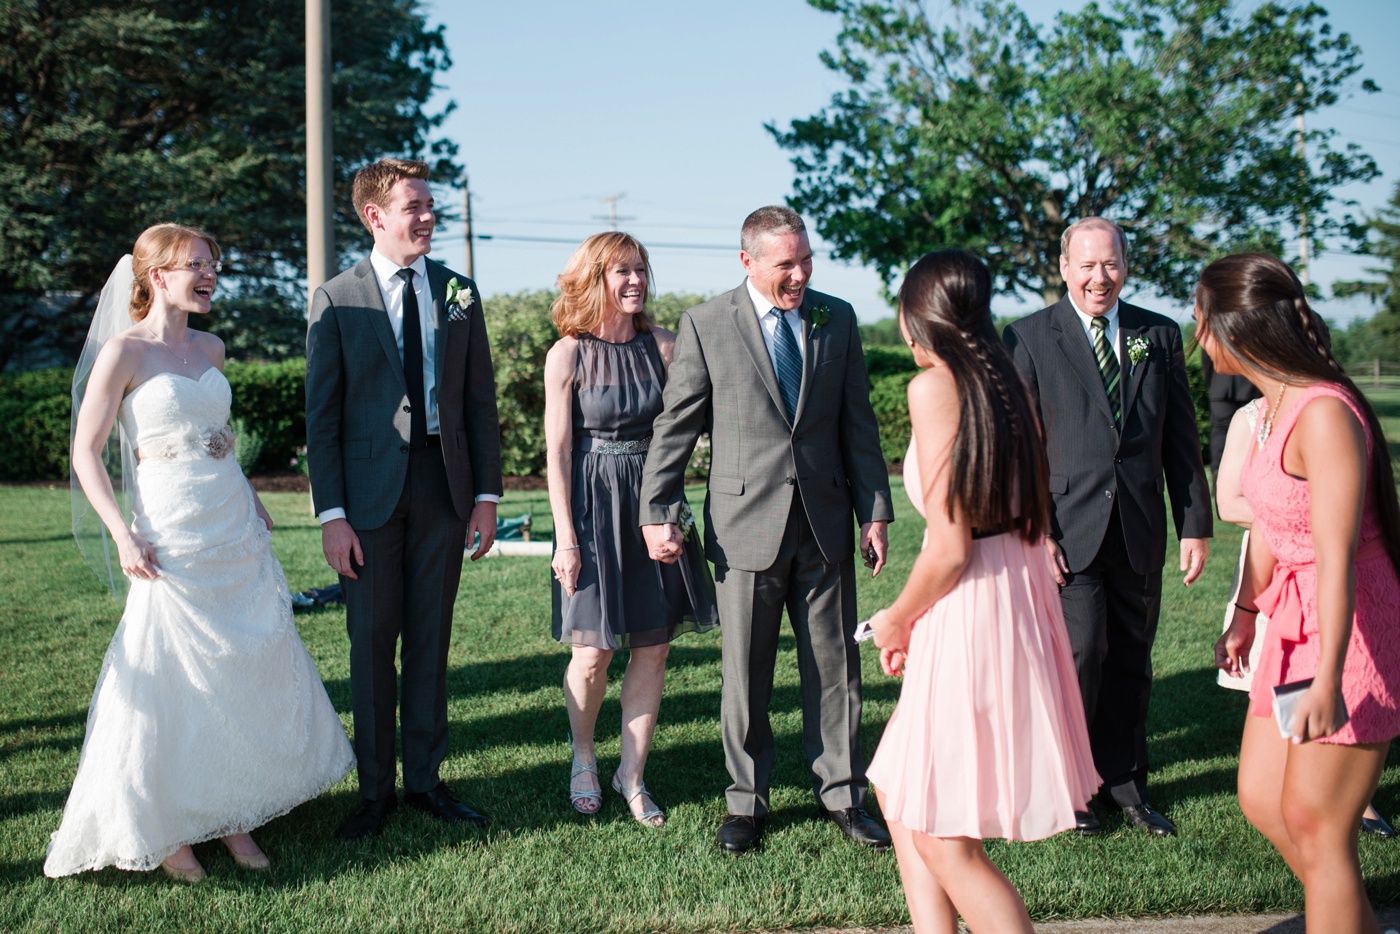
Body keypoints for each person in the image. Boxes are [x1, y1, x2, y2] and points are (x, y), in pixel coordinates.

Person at [49, 224, 355, 883]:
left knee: (237, 663)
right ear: (156, 276)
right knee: (174, 671)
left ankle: (231, 812)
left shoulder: (212, 345)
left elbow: (214, 433)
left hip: (229, 522)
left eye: (214, 264)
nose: (210, 274)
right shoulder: (123, 352)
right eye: (196, 264)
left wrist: (248, 492)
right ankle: (168, 831)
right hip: (168, 528)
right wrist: (121, 532)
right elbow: (85, 451)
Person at [638, 206, 895, 854]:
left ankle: (842, 795)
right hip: (744, 528)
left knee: (836, 670)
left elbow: (858, 425)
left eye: (806, 260)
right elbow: (677, 425)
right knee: (745, 676)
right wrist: (654, 509)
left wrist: (877, 511)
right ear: (748, 261)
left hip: (827, 522)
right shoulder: (706, 323)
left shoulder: (837, 318)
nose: (801, 274)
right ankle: (746, 804)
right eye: (787, 263)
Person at [867, 249, 1099, 934]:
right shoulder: (1003, 383)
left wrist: (897, 618)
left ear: (920, 318)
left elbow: (948, 545)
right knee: (900, 793)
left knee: (943, 833)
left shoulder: (936, 388)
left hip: (969, 604)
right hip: (1002, 591)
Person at [305, 158, 502, 841]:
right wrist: (332, 516)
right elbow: (321, 420)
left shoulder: (458, 291)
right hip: (366, 501)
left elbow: (479, 401)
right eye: (412, 206)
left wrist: (484, 495)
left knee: (430, 640)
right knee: (370, 644)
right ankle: (373, 791)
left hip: (443, 487)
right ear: (375, 216)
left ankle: (425, 781)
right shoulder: (337, 299)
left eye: (429, 205)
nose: (427, 216)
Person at [1203, 252, 1400, 933]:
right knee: (1263, 799)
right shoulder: (1269, 408)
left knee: (1319, 828)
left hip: (1347, 624)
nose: (1198, 338)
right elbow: (1270, 521)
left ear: (1237, 328)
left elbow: (1338, 558)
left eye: (1202, 321)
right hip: (1289, 617)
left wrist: (1328, 682)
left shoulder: (1322, 414)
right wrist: (1248, 611)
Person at [1004, 216, 1213, 837]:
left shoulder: (1161, 334)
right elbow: (1020, 447)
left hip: (1141, 524)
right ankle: (1070, 786)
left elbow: (1181, 439)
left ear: (1126, 265)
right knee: (1081, 654)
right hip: (1066, 529)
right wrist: (1033, 531)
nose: (1101, 277)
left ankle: (1126, 783)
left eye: (1112, 264)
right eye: (1088, 265)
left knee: (1132, 658)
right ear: (1064, 267)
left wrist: (1195, 525)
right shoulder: (1029, 337)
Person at [544, 233, 719, 824]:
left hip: (653, 505)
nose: (635, 280)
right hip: (592, 508)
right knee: (592, 652)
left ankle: (632, 774)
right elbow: (559, 452)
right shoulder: (567, 353)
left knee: (653, 646)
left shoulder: (665, 347)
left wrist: (668, 512)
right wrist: (566, 538)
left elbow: (687, 430)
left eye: (641, 269)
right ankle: (585, 755)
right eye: (621, 270)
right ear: (594, 277)